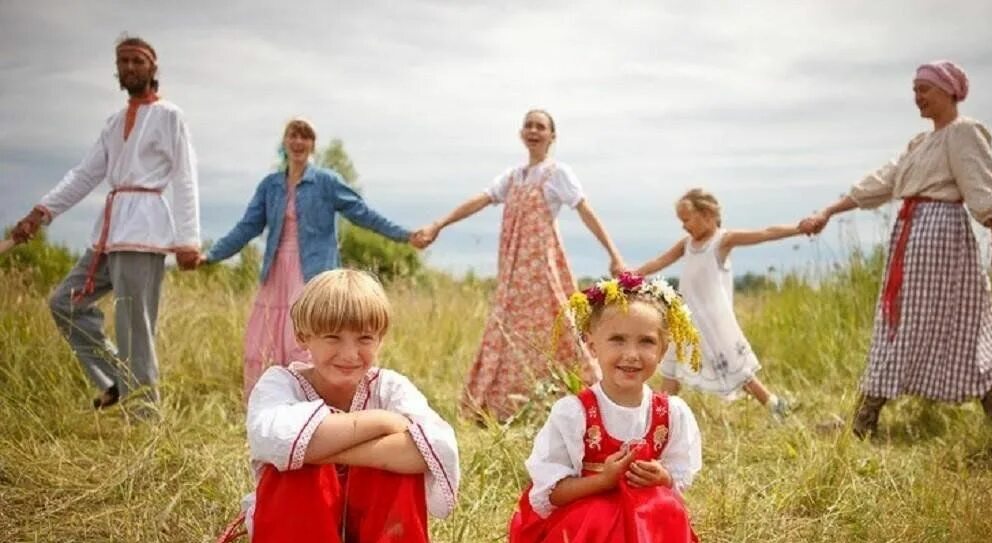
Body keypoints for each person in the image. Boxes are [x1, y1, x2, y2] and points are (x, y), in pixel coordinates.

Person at [244, 269, 460, 543]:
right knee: (295, 470)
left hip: (373, 538)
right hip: (299, 540)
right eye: (332, 338)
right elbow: (276, 440)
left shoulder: (390, 385)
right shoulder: (279, 384)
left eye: (364, 338)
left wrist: (323, 447)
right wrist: (379, 422)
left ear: (380, 339)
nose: (349, 353)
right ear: (304, 337)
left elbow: (431, 449)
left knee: (393, 473)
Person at [800, 60, 992, 438]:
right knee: (899, 321)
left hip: (941, 236)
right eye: (915, 89)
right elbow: (883, 180)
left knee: (957, 322)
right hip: (912, 234)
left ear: (950, 91)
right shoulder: (921, 143)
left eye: (925, 89)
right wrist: (829, 211)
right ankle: (865, 417)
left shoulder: (963, 133)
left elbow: (985, 188)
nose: (917, 97)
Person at [507, 272, 709, 543]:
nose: (631, 354)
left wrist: (662, 477)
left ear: (662, 350)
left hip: (641, 519)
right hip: (582, 510)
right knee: (602, 513)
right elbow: (551, 495)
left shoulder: (670, 413)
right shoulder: (575, 413)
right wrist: (605, 480)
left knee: (665, 507)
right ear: (591, 343)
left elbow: (678, 478)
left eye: (646, 342)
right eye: (617, 339)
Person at [11, 36, 200, 414]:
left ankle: (143, 415)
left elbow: (185, 176)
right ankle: (116, 379)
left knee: (134, 324)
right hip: (109, 232)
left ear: (152, 68)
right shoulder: (113, 123)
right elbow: (84, 174)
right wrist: (42, 212)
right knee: (65, 303)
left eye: (137, 61)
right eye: (123, 62)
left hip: (145, 230)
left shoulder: (169, 116)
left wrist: (188, 239)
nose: (129, 68)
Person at [411, 109, 627, 422]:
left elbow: (585, 210)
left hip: (541, 268)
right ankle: (505, 408)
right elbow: (480, 200)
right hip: (512, 273)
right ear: (521, 134)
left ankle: (581, 403)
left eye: (541, 127)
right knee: (508, 331)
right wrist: (438, 224)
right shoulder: (513, 177)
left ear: (552, 136)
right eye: (529, 125)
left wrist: (614, 254)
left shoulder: (558, 174)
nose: (534, 131)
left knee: (557, 326)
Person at [201, 118, 416, 398]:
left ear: (312, 145)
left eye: (305, 137)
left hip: (313, 271)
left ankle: (312, 404)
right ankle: (266, 404)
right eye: (293, 136)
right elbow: (247, 227)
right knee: (263, 341)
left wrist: (406, 236)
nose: (298, 142)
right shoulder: (271, 185)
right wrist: (211, 256)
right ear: (284, 143)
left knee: (305, 338)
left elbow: (362, 213)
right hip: (277, 270)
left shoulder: (326, 181)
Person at [632, 188, 811, 420]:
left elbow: (765, 233)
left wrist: (798, 228)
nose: (684, 226)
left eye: (687, 219)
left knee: (736, 370)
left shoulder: (722, 241)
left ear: (707, 214)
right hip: (687, 317)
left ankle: (774, 404)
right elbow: (661, 260)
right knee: (673, 366)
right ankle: (659, 415)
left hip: (712, 321)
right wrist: (633, 274)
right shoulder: (686, 244)